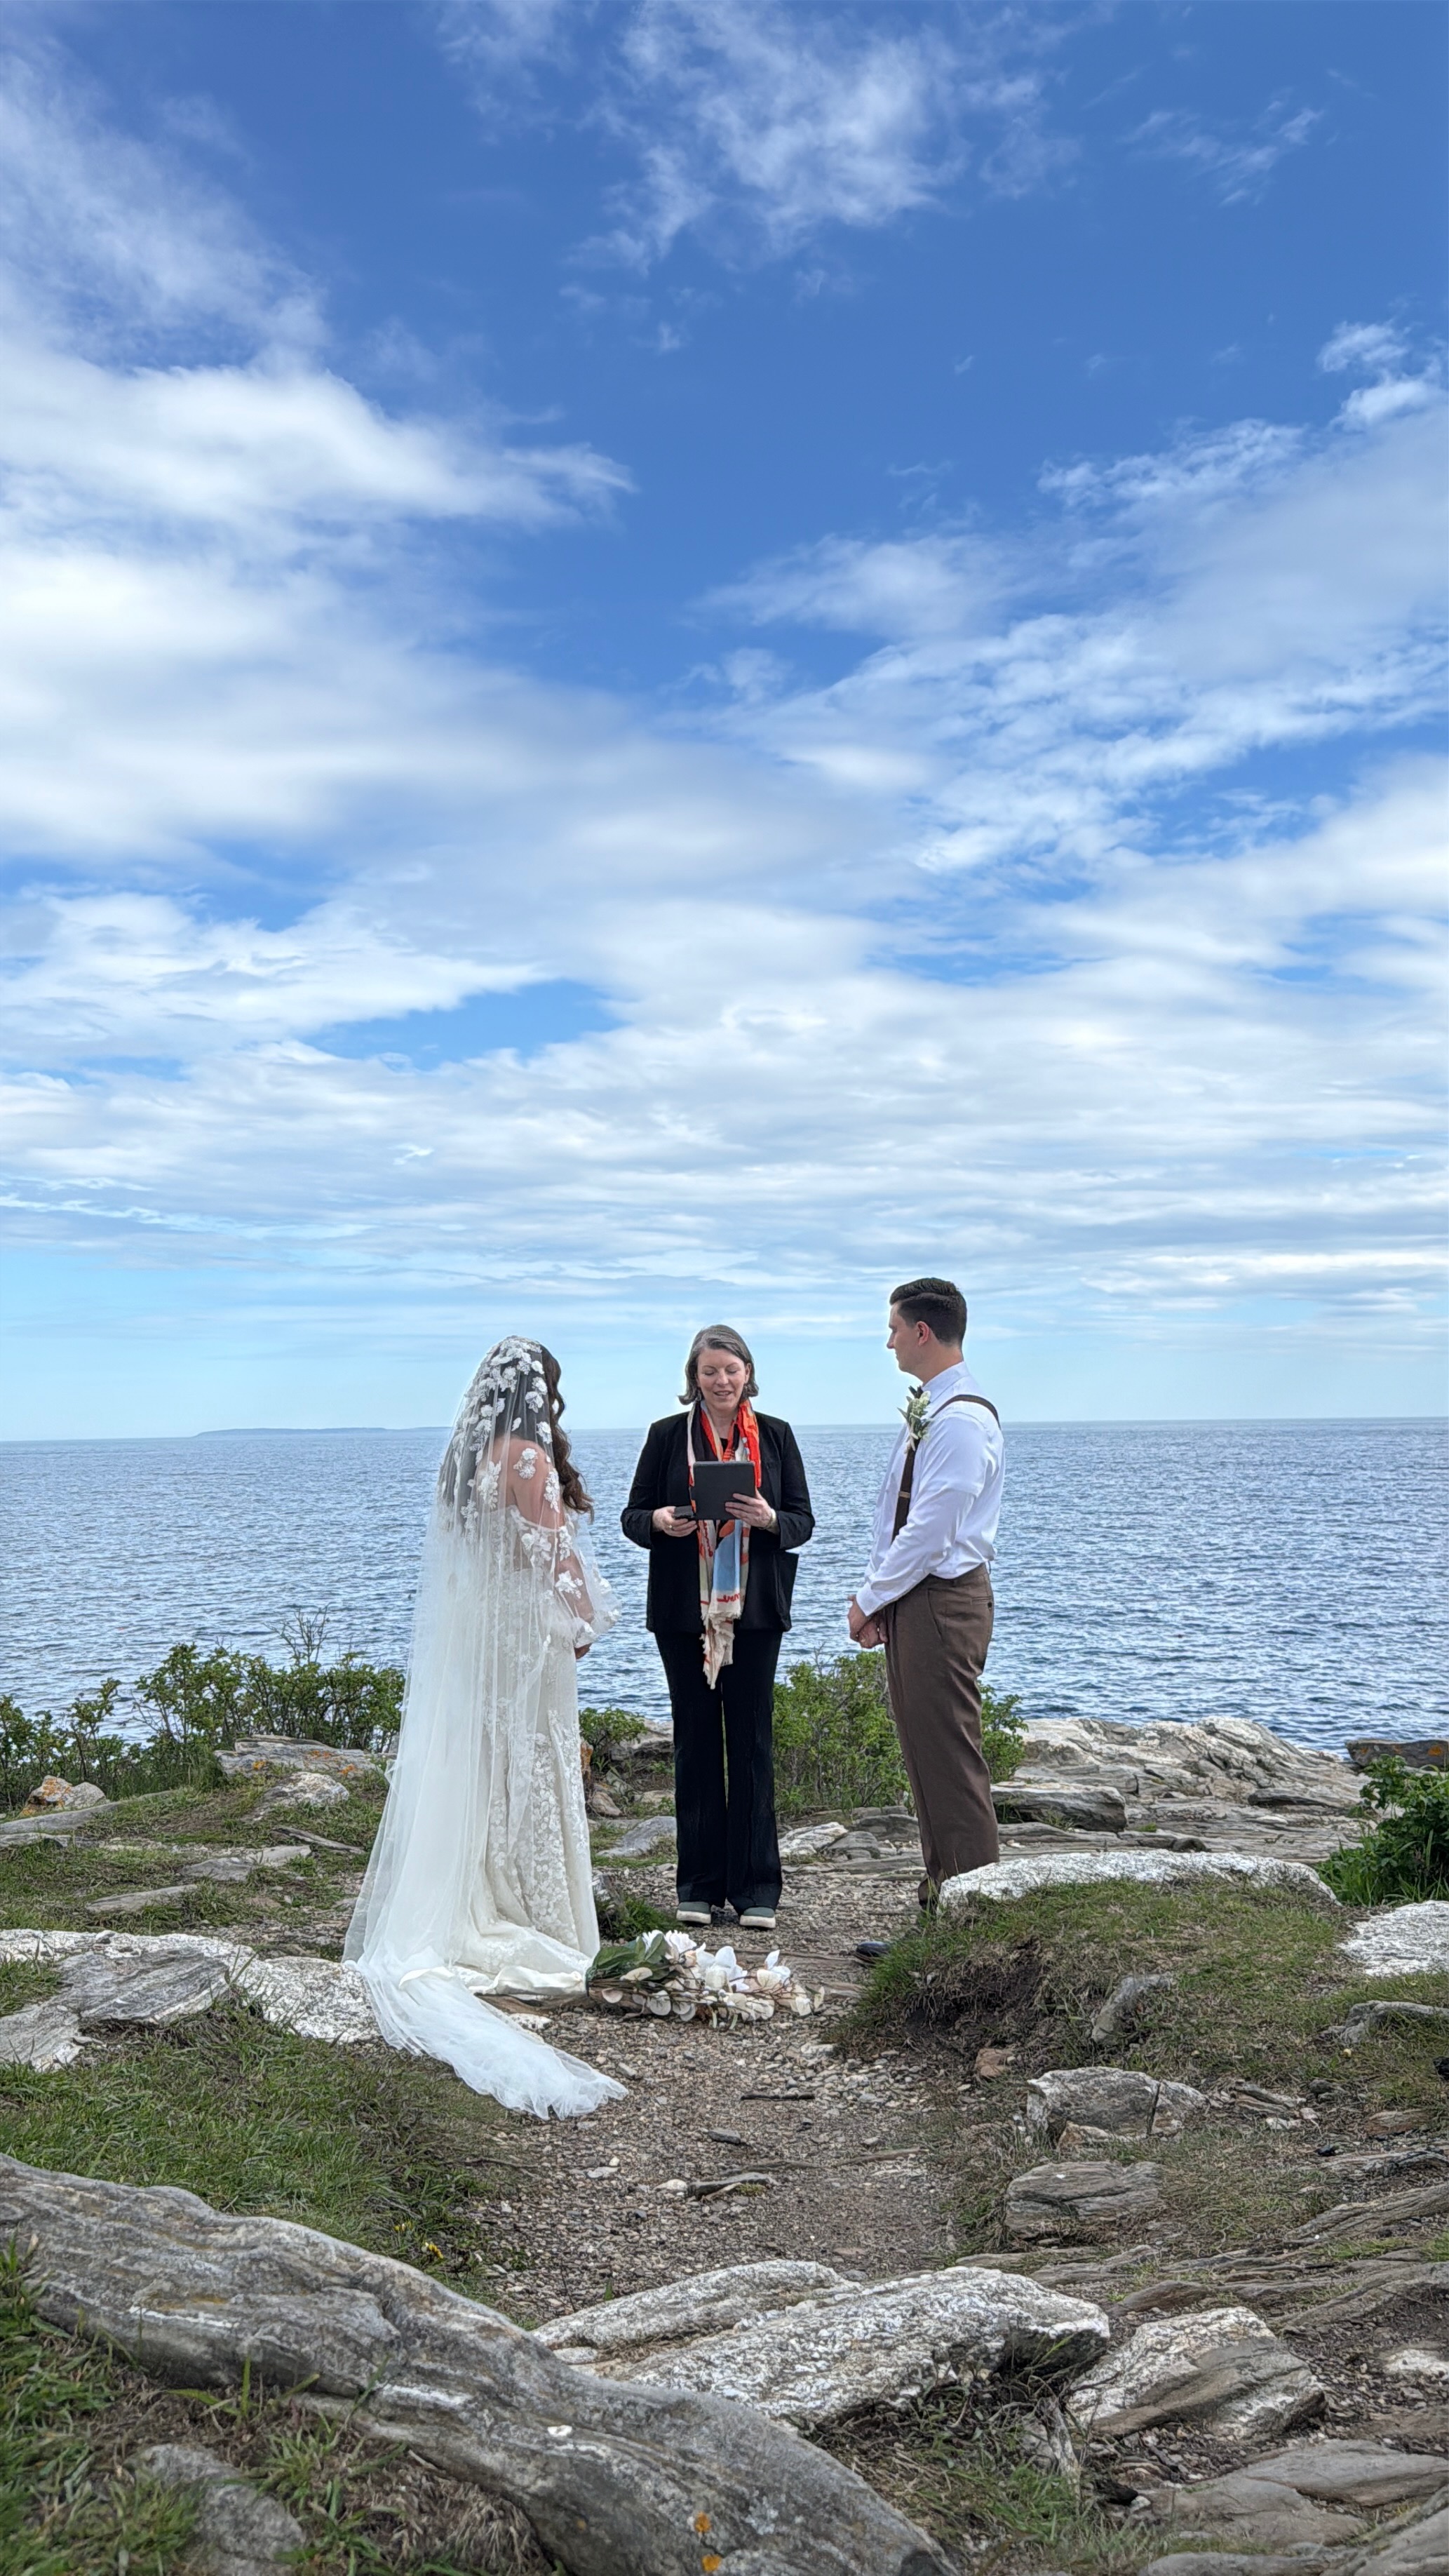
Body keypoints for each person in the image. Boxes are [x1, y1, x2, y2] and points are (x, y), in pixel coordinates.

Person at [346, 1336, 625, 2119]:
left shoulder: (465, 1462)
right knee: (532, 1759)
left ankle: (483, 1884)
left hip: (482, 1630)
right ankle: (533, 1909)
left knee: (491, 1758)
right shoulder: (526, 1458)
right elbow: (552, 1551)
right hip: (523, 1634)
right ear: (538, 1393)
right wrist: (587, 1616)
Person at [622, 1327, 814, 1933]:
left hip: (753, 1613)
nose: (722, 1381)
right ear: (694, 1378)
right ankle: (698, 1887)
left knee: (753, 1743)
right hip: (684, 1613)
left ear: (748, 1372)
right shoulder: (664, 1436)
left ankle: (757, 1887)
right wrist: (658, 1520)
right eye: (710, 1371)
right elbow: (633, 1517)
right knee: (695, 1744)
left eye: (731, 1369)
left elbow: (803, 1522)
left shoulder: (777, 1436)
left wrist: (767, 1518)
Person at [848, 1277, 1004, 1900]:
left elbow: (931, 1534)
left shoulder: (960, 1420)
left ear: (921, 1332)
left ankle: (976, 1909)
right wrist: (881, 1592)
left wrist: (869, 1600)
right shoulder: (935, 1407)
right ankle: (943, 1896)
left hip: (943, 1601)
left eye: (893, 1330)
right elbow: (896, 1513)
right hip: (922, 1600)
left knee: (949, 1760)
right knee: (926, 1757)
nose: (888, 1343)